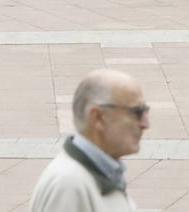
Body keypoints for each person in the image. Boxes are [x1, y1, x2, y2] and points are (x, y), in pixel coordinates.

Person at [31, 68, 147, 212]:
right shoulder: (69, 185)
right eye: (136, 112)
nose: (145, 124)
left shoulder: (103, 174)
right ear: (98, 117)